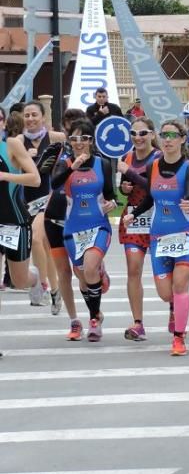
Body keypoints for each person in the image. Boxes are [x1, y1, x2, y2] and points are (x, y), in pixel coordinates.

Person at [122, 119, 189, 355]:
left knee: (180, 285)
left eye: (173, 136)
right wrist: (134, 214)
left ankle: (179, 338)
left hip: (185, 235)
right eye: (164, 135)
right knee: (166, 293)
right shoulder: (152, 166)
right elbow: (149, 198)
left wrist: (188, 202)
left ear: (182, 139)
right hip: (159, 237)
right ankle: (177, 309)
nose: (168, 140)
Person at [51, 119, 117, 342]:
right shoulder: (65, 163)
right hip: (73, 228)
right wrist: (72, 167)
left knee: (89, 268)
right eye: (75, 138)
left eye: (84, 138)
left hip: (98, 225)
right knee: (82, 276)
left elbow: (111, 194)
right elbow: (54, 183)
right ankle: (97, 309)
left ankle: (93, 321)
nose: (79, 143)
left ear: (91, 140)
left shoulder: (103, 164)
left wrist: (112, 204)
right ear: (70, 140)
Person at [17, 100, 66, 309]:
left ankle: (42, 285)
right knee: (46, 248)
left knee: (37, 240)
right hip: (25, 199)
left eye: (34, 115)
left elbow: (74, 154)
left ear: (43, 117)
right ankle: (55, 290)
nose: (30, 119)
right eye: (26, 115)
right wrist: (24, 160)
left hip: (49, 197)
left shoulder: (56, 138)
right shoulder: (18, 141)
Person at [42, 108, 85, 340]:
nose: (71, 127)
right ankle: (74, 321)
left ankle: (95, 310)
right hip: (54, 218)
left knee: (83, 273)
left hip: (81, 221)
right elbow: (41, 174)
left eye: (76, 124)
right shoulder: (57, 150)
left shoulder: (94, 154)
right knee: (63, 272)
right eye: (67, 123)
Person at [116, 117, 161, 341]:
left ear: (152, 135)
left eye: (143, 133)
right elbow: (125, 189)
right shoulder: (128, 157)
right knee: (133, 270)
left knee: (165, 275)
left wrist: (131, 174)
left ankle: (174, 312)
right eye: (133, 133)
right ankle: (138, 323)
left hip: (159, 219)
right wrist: (124, 187)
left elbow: (156, 188)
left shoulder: (161, 157)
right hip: (133, 220)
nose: (138, 138)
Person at [0, 106, 42, 302]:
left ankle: (35, 278)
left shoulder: (11, 145)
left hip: (14, 220)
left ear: (3, 123)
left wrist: (4, 176)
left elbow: (35, 179)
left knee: (19, 280)